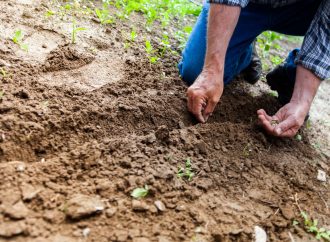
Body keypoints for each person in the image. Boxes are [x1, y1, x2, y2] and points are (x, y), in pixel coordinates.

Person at [178, 0, 329, 137]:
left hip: (305, 11)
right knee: (196, 71)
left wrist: (301, 101)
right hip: (250, 5)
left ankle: (294, 72)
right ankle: (245, 51)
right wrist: (212, 70)